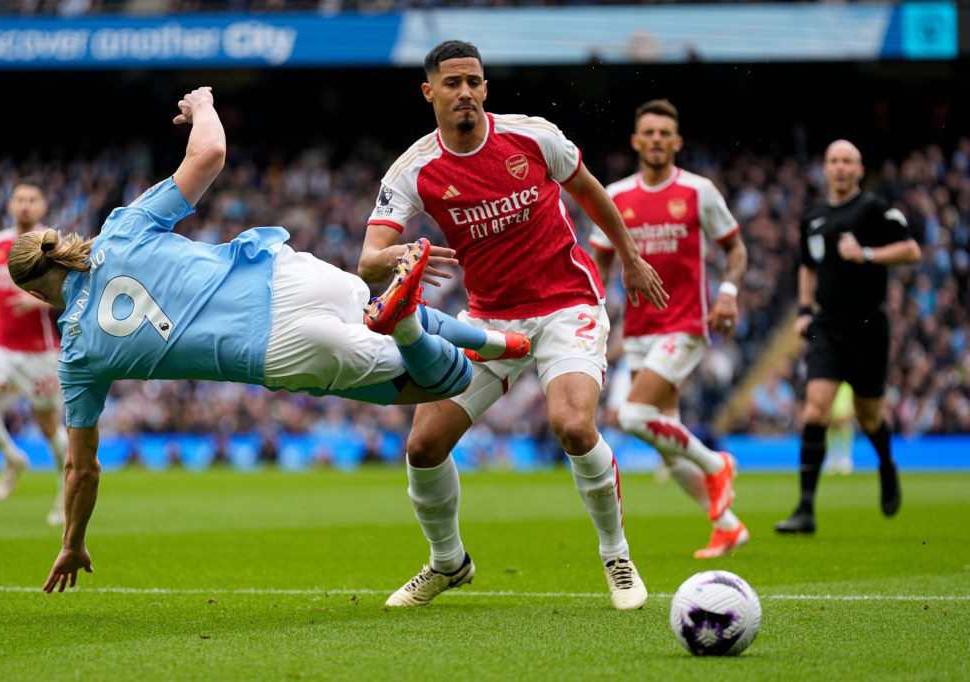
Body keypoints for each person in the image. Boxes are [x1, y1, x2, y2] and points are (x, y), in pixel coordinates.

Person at [28, 87, 529, 593]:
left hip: (275, 346)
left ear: (31, 289)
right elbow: (209, 154)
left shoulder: (78, 354)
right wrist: (202, 105)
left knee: (441, 383)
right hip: (284, 271)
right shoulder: (120, 230)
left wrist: (72, 540)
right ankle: (497, 341)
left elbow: (81, 468)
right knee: (371, 310)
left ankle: (409, 326)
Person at [358, 41, 668, 610]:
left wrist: (627, 256)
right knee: (424, 446)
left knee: (572, 425)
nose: (466, 93)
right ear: (429, 93)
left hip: (566, 305)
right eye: (452, 83)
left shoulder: (532, 136)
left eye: (474, 81)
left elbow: (589, 190)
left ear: (485, 88)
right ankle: (447, 562)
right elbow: (369, 258)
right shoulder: (415, 170)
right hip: (489, 320)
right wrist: (402, 255)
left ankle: (616, 555)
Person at [590, 99, 747, 559]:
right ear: (636, 141)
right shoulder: (617, 195)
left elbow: (735, 250)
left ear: (676, 142)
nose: (657, 139)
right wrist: (591, 310)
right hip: (639, 329)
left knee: (633, 416)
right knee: (667, 438)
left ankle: (717, 464)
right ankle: (727, 525)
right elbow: (598, 258)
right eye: (649, 133)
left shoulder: (699, 191)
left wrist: (729, 293)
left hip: (685, 323)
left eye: (665, 133)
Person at [776, 140, 921, 534]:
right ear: (826, 168)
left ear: (859, 170)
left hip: (868, 326)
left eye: (848, 162)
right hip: (829, 326)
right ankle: (805, 508)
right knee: (815, 410)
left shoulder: (874, 209)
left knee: (868, 416)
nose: (840, 168)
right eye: (834, 161)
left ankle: (887, 466)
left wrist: (868, 254)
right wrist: (805, 310)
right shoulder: (813, 216)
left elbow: (912, 250)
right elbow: (807, 266)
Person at [0, 180, 69, 524]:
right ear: (10, 206)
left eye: (31, 200)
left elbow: (70, 290)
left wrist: (40, 298)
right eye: (19, 199)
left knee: (48, 427)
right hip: (1, 341)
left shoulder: (51, 245)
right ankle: (13, 457)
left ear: (42, 207)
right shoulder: (1, 241)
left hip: (39, 351)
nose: (24, 205)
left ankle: (66, 494)